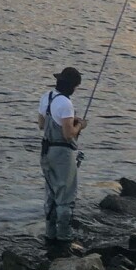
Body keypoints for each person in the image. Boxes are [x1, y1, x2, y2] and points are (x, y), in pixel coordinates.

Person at [37, 67, 87, 248]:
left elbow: (42, 125)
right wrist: (80, 125)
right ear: (72, 87)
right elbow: (68, 134)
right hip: (62, 155)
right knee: (65, 195)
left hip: (45, 152)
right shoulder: (66, 104)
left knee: (51, 193)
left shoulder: (46, 97)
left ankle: (49, 234)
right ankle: (64, 237)